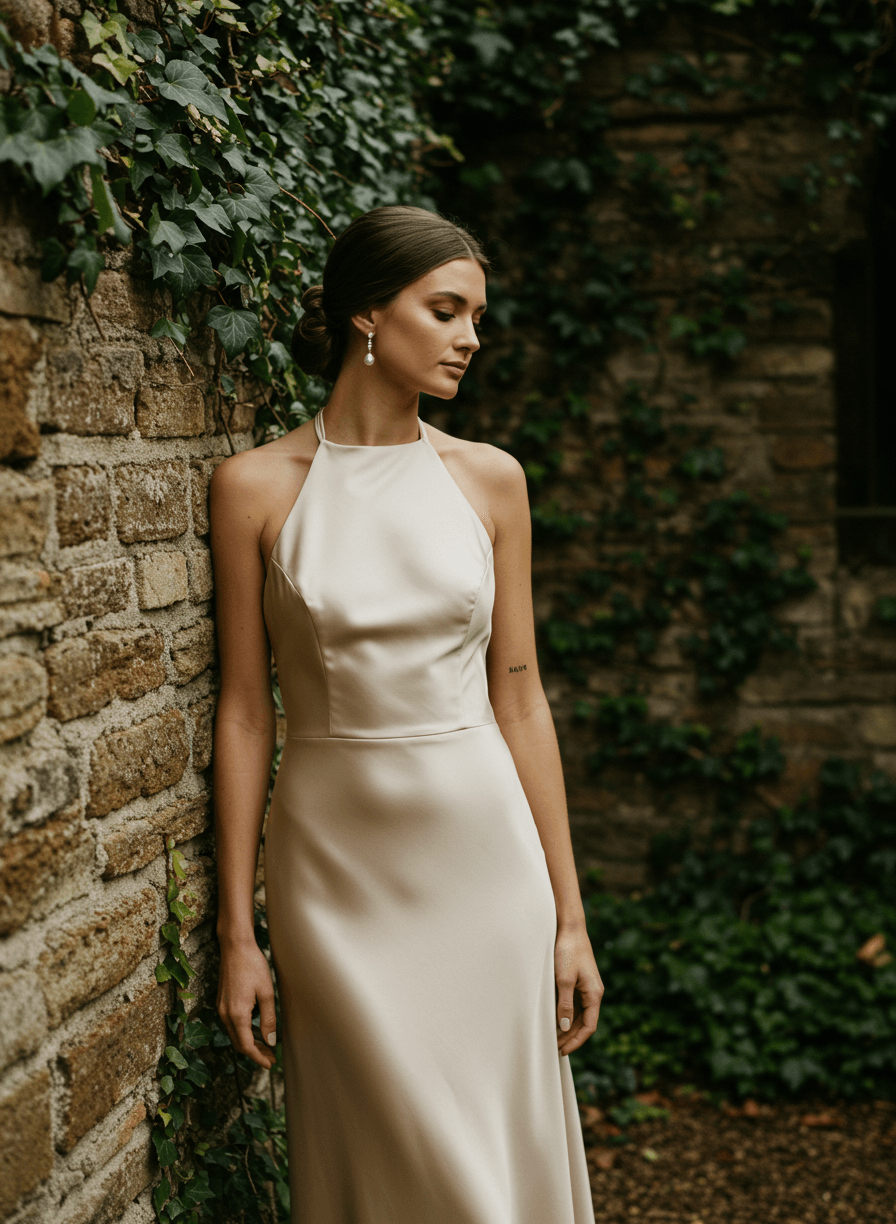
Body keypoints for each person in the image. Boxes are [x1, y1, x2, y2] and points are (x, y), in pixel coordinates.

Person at [209, 204, 603, 1223]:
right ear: (366, 315)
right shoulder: (252, 486)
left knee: (486, 1159)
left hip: (484, 860)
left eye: (476, 314)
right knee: (386, 1153)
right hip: (331, 874)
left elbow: (518, 698)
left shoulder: (489, 480)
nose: (470, 335)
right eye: (447, 309)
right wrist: (235, 931)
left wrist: (567, 917)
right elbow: (247, 713)